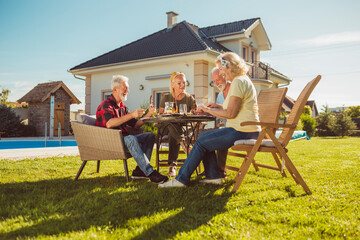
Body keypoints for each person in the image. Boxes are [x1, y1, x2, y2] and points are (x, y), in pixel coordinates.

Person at [159, 52, 261, 188]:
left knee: (201, 141)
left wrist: (207, 110)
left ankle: (180, 180)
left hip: (242, 131)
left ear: (229, 66)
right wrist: (218, 106)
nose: (221, 73)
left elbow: (230, 113)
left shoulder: (238, 81)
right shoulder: (241, 80)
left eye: (221, 69)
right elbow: (234, 108)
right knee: (203, 136)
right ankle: (213, 176)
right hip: (244, 129)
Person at [96, 75, 168, 184]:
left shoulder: (122, 107)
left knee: (149, 136)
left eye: (127, 88)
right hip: (110, 141)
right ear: (115, 89)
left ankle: (139, 171)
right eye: (125, 88)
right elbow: (109, 123)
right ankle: (150, 172)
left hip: (123, 139)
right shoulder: (106, 105)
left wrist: (148, 114)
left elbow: (135, 125)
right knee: (131, 139)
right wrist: (131, 115)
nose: (128, 91)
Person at [158, 72, 195, 177]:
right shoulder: (166, 97)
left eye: (184, 83)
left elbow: (194, 113)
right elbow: (160, 114)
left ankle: (172, 166)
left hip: (184, 127)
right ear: (172, 85)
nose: (182, 85)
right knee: (171, 122)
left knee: (172, 133)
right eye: (179, 83)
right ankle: (185, 146)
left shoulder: (189, 98)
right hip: (167, 125)